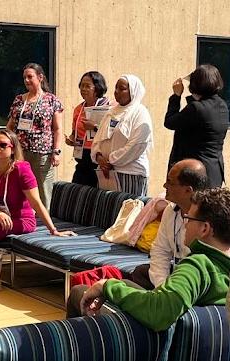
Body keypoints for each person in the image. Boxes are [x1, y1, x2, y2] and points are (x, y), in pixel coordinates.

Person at [68, 187, 230, 332]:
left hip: (156, 341)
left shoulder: (198, 267)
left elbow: (159, 312)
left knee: (78, 292)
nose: (185, 224)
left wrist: (106, 286)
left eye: (189, 218)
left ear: (205, 228)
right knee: (128, 283)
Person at [0, 130, 76, 254]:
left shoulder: (21, 169)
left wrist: (53, 230)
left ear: (12, 149)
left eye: (3, 145)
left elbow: (36, 203)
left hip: (19, 219)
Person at [130, 159, 209, 290]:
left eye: (170, 182)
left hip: (198, 280)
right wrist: (162, 286)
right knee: (141, 273)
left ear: (188, 190)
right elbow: (160, 250)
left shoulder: (208, 217)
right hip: (177, 276)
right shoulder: (170, 210)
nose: (164, 185)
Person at [6, 63, 63, 211]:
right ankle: (23, 218)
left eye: (30, 77)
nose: (26, 80)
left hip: (42, 153)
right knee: (20, 186)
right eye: (24, 77)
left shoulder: (51, 100)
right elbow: (10, 126)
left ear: (40, 77)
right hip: (21, 152)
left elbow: (57, 129)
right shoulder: (19, 100)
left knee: (43, 188)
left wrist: (56, 152)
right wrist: (8, 146)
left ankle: (45, 225)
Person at [164, 64, 229, 187]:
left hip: (193, 173)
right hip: (214, 172)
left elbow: (170, 122)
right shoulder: (222, 105)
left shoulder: (196, 108)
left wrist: (176, 96)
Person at [91, 75, 153, 196]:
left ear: (133, 92)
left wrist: (110, 160)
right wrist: (99, 157)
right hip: (106, 173)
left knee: (129, 212)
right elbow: (97, 140)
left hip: (130, 174)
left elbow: (136, 146)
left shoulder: (140, 113)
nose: (117, 92)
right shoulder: (111, 112)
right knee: (108, 211)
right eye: (116, 88)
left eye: (122, 88)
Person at [64, 71, 110, 187]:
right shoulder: (78, 109)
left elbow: (112, 132)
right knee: (77, 192)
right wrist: (71, 139)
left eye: (87, 86)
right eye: (81, 85)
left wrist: (94, 127)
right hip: (82, 156)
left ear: (97, 88)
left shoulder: (108, 107)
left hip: (100, 156)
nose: (83, 89)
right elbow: (75, 133)